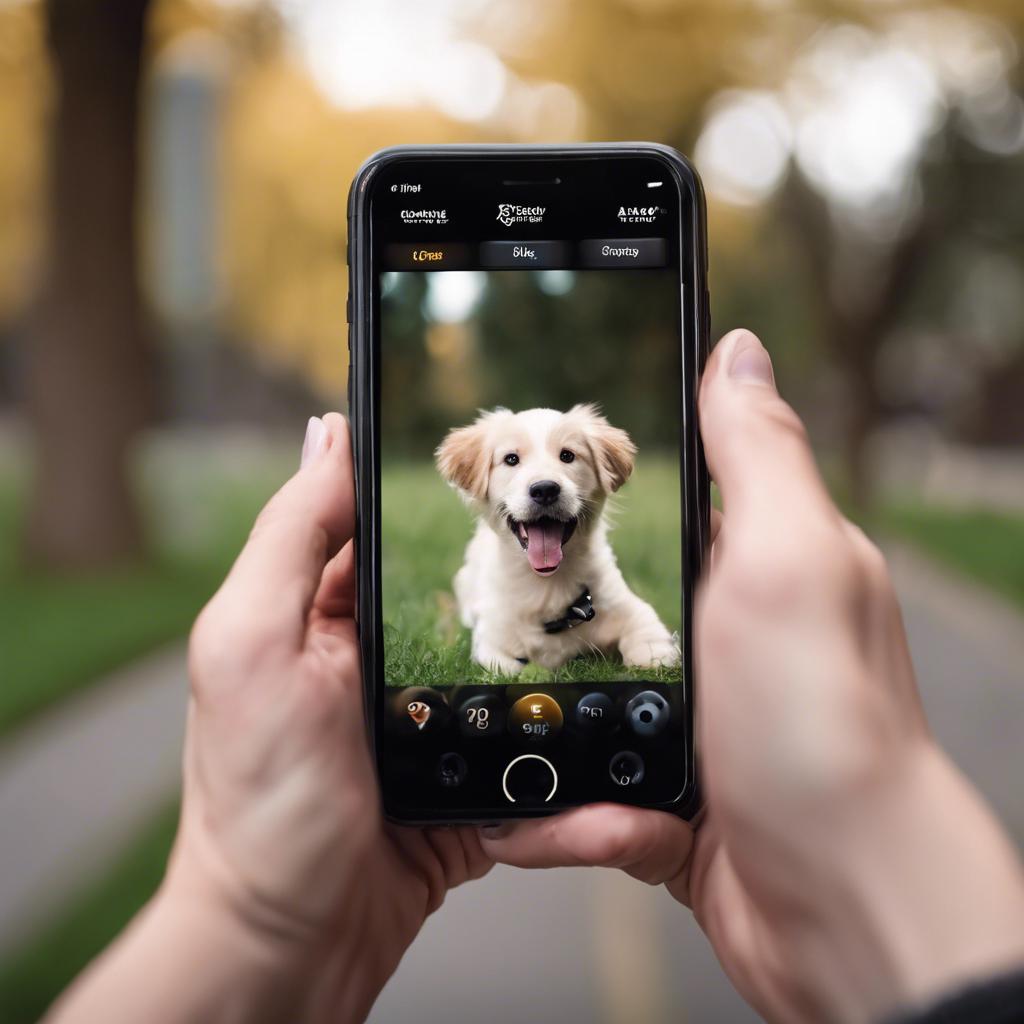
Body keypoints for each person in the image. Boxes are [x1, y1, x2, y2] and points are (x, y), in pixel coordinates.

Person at [46, 330, 1024, 1024]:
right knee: (500, 642)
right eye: (515, 463)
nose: (543, 477)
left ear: (600, 476)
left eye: (567, 459)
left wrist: (247, 921)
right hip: (504, 610)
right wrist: (249, 914)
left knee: (632, 633)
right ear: (482, 483)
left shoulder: (600, 576)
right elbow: (490, 656)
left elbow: (638, 620)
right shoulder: (495, 579)